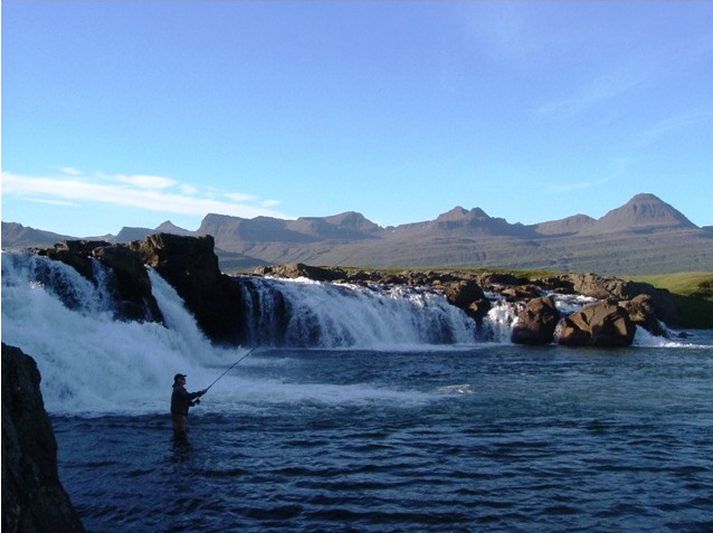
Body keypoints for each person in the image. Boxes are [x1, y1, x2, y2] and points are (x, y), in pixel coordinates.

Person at [171, 374, 207, 439]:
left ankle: (178, 448)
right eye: (182, 378)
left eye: (184, 378)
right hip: (179, 415)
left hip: (179, 415)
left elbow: (185, 400)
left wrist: (194, 402)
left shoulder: (179, 388)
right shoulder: (179, 389)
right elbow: (188, 396)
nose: (184, 379)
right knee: (181, 434)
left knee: (179, 434)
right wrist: (201, 392)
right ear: (178, 380)